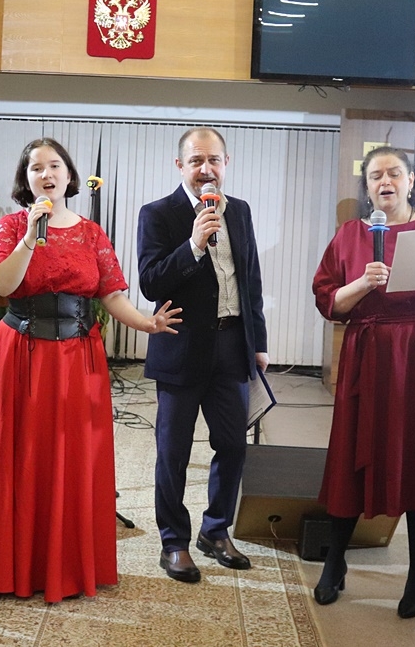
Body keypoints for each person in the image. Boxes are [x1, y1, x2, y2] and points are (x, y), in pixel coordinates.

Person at [0, 137, 182, 603]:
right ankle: (12, 565)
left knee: (73, 456)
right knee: (20, 455)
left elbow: (111, 294)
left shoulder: (91, 233)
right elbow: (2, 285)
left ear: (69, 175)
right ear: (26, 179)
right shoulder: (10, 226)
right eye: (36, 167)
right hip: (22, 354)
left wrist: (147, 323)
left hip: (78, 357)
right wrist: (28, 238)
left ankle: (67, 564)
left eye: (55, 165)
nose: (47, 174)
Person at [310, 146, 415, 618]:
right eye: (375, 176)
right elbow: (328, 301)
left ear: (410, 181)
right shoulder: (350, 234)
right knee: (352, 454)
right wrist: (361, 284)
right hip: (368, 353)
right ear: (367, 187)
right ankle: (335, 561)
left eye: (394, 174)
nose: (384, 182)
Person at [137, 127, 269, 583]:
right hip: (181, 347)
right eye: (196, 161)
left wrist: (259, 342)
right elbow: (150, 282)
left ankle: (215, 531)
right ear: (181, 166)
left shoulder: (240, 211)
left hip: (233, 346)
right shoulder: (158, 214)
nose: (205, 169)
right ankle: (173, 541)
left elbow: (250, 279)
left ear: (225, 163)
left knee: (233, 446)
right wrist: (193, 245)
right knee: (173, 452)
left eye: (213, 160)